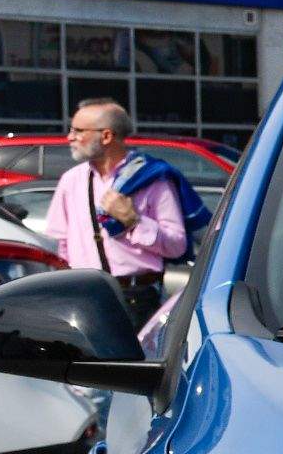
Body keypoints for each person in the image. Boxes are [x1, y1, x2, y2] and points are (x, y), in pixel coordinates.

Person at [44, 101, 191, 324]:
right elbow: (59, 245)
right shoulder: (72, 180)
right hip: (86, 296)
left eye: (78, 131)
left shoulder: (152, 179)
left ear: (106, 136)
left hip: (137, 298)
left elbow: (177, 245)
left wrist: (134, 222)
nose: (69, 137)